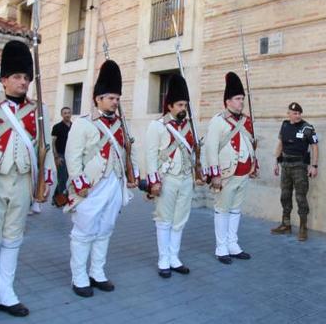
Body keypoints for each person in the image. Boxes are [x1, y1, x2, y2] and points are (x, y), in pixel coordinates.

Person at [0, 40, 55, 324]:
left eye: (26, 77)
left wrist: (46, 181)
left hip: (22, 183)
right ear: (3, 80)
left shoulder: (39, 110)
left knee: (13, 238)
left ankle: (6, 294)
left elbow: (44, 148)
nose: (23, 82)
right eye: (17, 76)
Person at [63, 60, 138, 296]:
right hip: (91, 185)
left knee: (106, 228)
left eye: (117, 98)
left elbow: (129, 150)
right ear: (98, 98)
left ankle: (97, 272)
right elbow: (72, 156)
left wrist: (132, 174)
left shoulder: (122, 124)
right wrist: (79, 183)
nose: (115, 102)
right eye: (111, 98)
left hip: (114, 183)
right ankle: (79, 277)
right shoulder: (83, 123)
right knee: (84, 230)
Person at [146, 74, 201, 277]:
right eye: (179, 105)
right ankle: (163, 259)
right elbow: (150, 156)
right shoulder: (157, 126)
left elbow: (195, 152)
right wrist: (153, 181)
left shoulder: (190, 126)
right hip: (167, 178)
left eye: (185, 105)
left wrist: (198, 172)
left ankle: (174, 257)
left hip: (186, 178)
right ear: (169, 106)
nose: (183, 108)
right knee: (164, 219)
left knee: (180, 219)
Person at [204, 72, 259, 264]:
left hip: (243, 172)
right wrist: (215, 174)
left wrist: (254, 164)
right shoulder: (218, 121)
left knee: (236, 209)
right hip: (226, 173)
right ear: (227, 101)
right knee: (222, 209)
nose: (241, 102)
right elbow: (211, 149)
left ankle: (233, 244)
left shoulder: (247, 120)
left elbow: (251, 144)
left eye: (242, 98)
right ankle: (221, 248)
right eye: (237, 99)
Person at [270, 102, 319, 241]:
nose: (297, 116)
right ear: (289, 114)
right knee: (285, 196)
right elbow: (280, 144)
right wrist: (276, 162)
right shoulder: (285, 125)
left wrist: (314, 166)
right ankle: (286, 224)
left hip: (299, 166)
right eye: (295, 113)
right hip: (285, 165)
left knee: (300, 197)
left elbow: (315, 146)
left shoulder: (307, 127)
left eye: (299, 113)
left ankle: (303, 228)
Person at [50, 107, 73, 207]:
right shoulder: (57, 127)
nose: (67, 115)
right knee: (62, 178)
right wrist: (56, 157)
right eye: (65, 113)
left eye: (68, 113)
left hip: (71, 155)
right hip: (60, 155)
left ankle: (55, 198)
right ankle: (61, 201)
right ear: (62, 115)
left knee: (65, 177)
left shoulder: (74, 126)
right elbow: (53, 142)